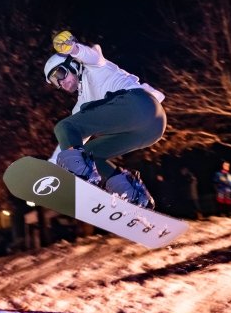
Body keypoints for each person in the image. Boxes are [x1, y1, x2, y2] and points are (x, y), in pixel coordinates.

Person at [44, 31, 166, 208]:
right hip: (152, 129)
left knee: (64, 127)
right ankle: (133, 194)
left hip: (139, 104)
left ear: (73, 65)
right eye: (55, 82)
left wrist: (73, 48)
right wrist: (49, 169)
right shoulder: (82, 103)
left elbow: (91, 55)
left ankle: (82, 177)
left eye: (60, 74)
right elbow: (70, 141)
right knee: (88, 154)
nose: (60, 83)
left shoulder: (95, 67)